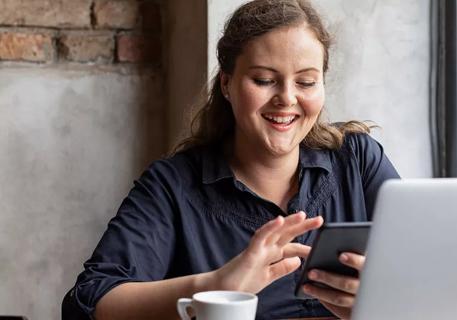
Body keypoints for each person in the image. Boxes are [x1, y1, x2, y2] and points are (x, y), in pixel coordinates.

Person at [62, 0, 399, 319]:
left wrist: (384, 305)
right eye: (264, 80)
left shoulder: (357, 159)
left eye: (306, 82)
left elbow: (433, 271)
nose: (287, 98)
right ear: (227, 84)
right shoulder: (173, 185)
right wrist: (215, 287)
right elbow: (89, 302)